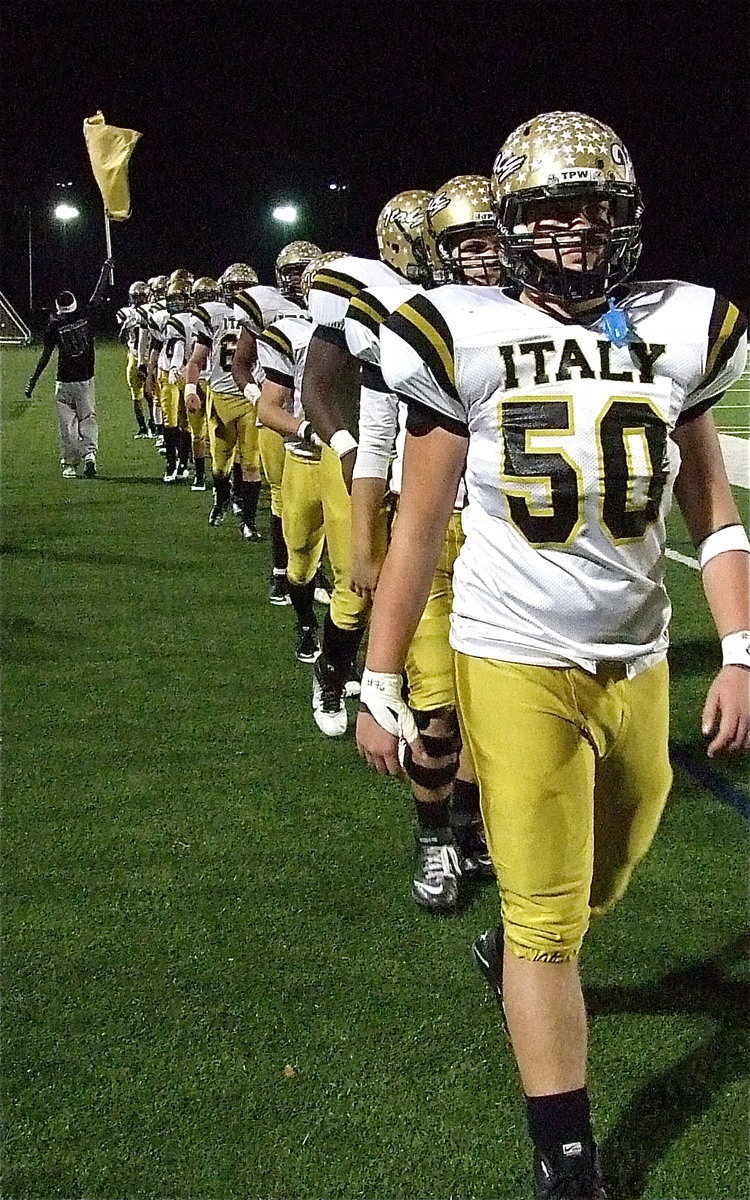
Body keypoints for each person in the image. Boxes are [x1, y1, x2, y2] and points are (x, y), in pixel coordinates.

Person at [356, 111, 749, 1200]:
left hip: (639, 656)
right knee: (544, 920)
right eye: (555, 213)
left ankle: (517, 954)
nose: (579, 233)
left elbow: (712, 510)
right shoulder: (463, 331)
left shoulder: (678, 326)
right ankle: (568, 1162)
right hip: (510, 652)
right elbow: (420, 525)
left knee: (604, 879)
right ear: (517, 227)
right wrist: (380, 675)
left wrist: (743, 650)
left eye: (599, 210)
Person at [26, 258, 113, 478]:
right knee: (88, 418)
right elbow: (97, 294)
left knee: (67, 425)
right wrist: (105, 270)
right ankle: (91, 455)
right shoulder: (87, 315)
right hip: (85, 381)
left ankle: (71, 464)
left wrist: (33, 381)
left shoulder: (54, 326)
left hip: (63, 381)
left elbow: (45, 356)